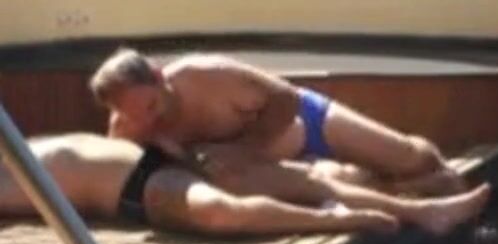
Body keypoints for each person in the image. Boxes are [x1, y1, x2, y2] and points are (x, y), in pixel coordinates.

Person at [88, 48, 465, 197]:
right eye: (135, 115)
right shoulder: (127, 129)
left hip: (303, 121)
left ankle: (435, 173)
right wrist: (173, 158)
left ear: (158, 76)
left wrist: (242, 149)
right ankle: (392, 187)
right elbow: (124, 184)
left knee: (413, 159)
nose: (149, 120)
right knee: (354, 184)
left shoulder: (207, 75)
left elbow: (287, 98)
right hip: (273, 170)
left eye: (152, 106)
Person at [0, 133, 490, 236]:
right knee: (221, 213)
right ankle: (338, 221)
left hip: (157, 160)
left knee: (313, 176)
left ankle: (421, 196)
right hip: (137, 187)